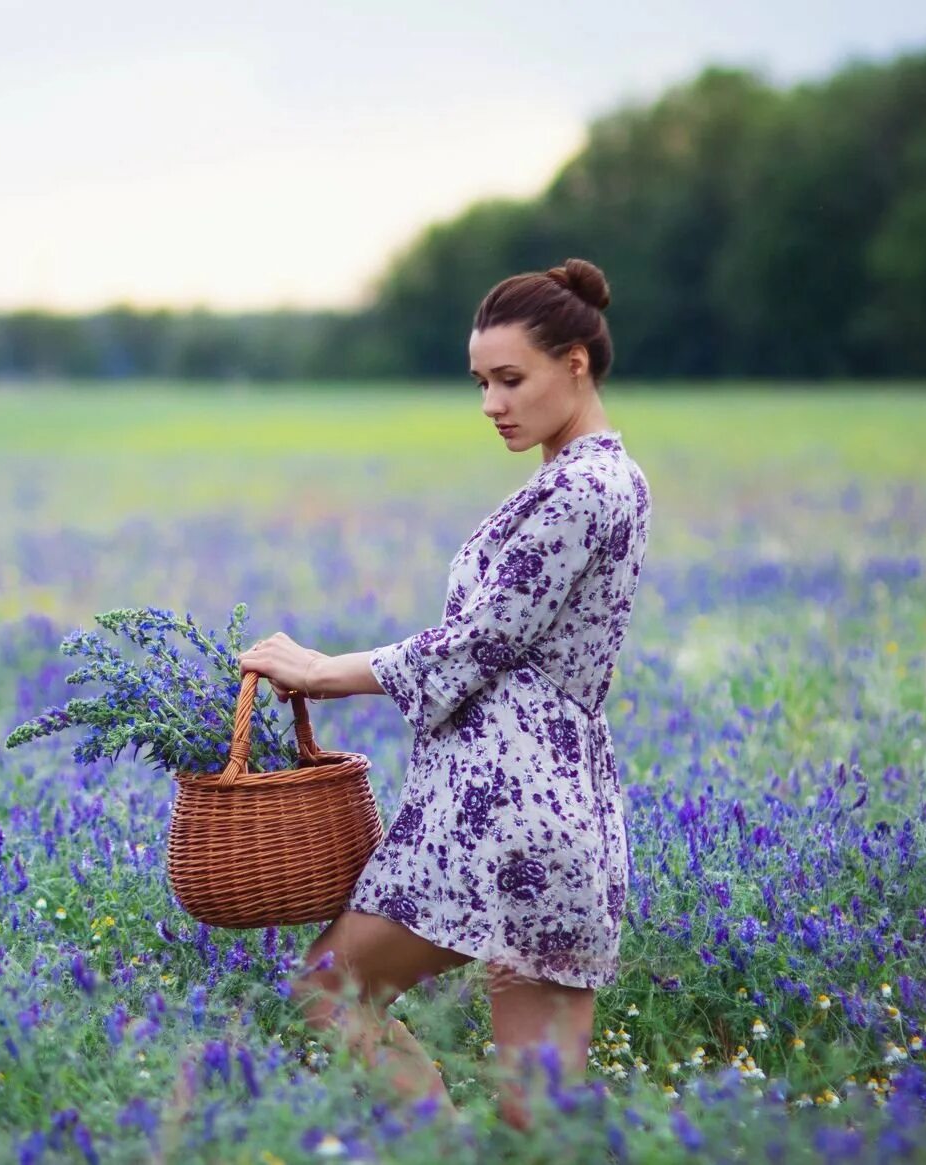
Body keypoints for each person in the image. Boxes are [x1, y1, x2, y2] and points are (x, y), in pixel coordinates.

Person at [238, 257, 650, 1132]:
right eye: (482, 382)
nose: (492, 404)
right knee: (540, 1115)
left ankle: (440, 1147)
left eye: (511, 379)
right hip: (558, 814)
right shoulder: (593, 478)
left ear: (575, 362)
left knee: (329, 991)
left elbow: (481, 642)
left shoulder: (581, 489)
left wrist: (320, 670)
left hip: (503, 816)